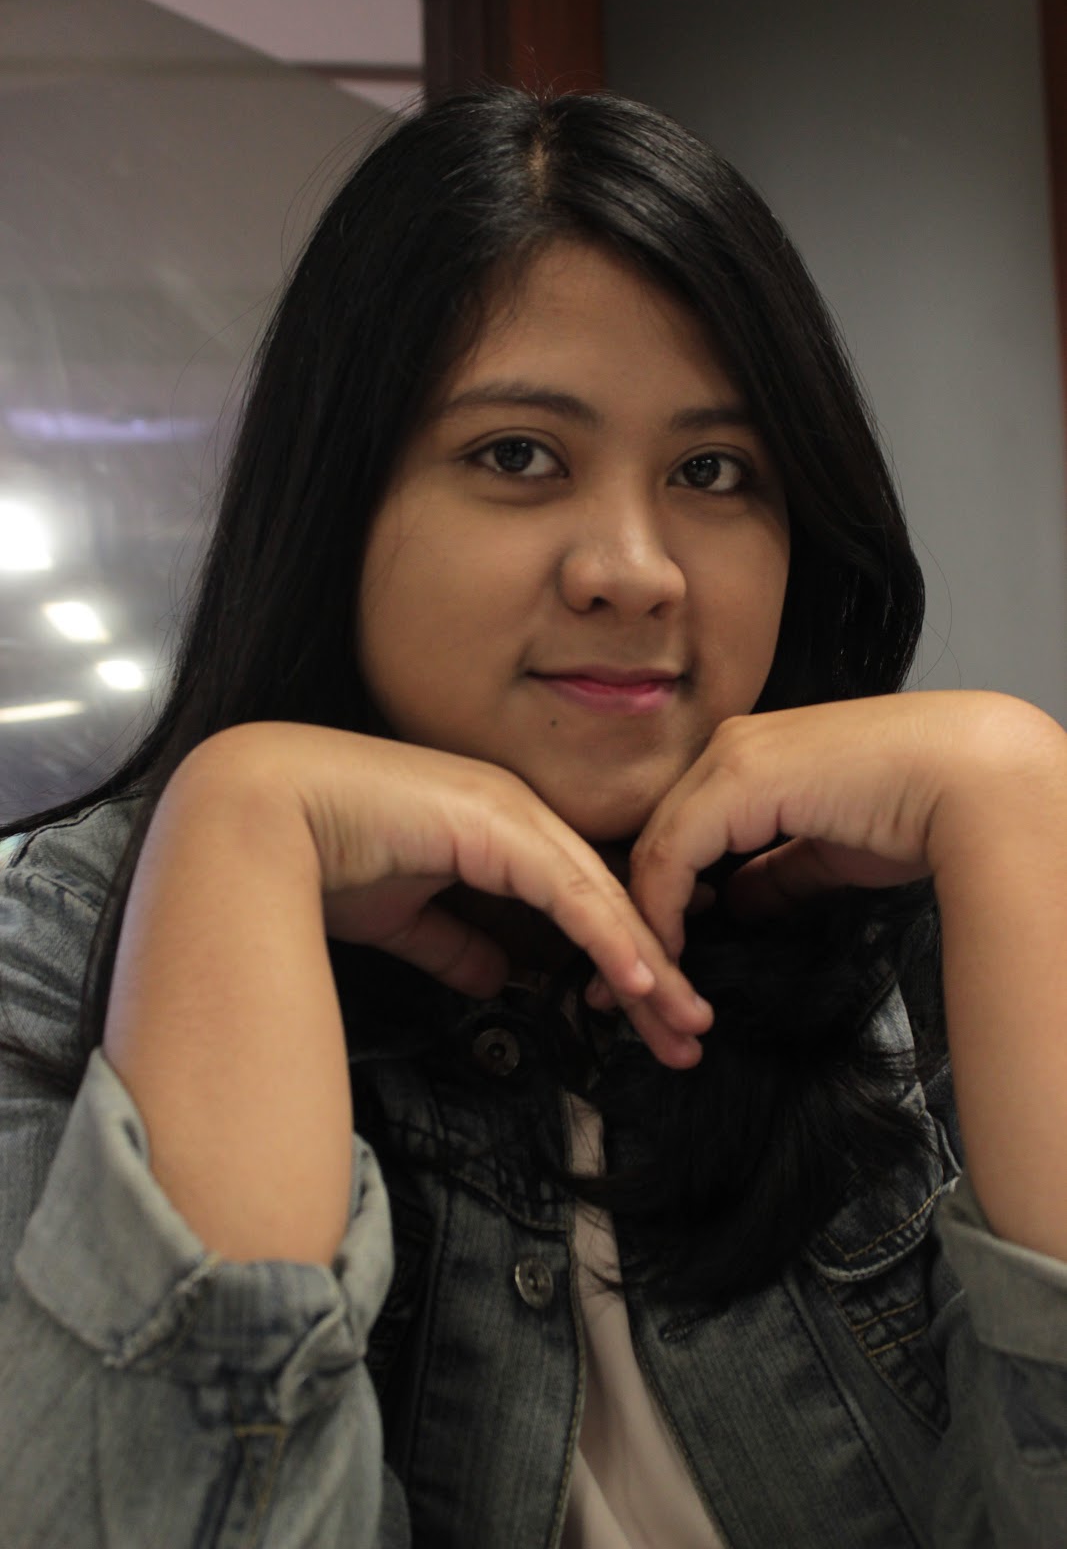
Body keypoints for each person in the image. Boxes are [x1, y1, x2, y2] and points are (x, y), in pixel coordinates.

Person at [1, 86, 1065, 1549]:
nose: (633, 569)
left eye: (713, 472)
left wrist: (1023, 799)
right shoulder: (62, 957)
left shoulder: (930, 923)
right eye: (517, 455)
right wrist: (240, 828)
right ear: (338, 498)